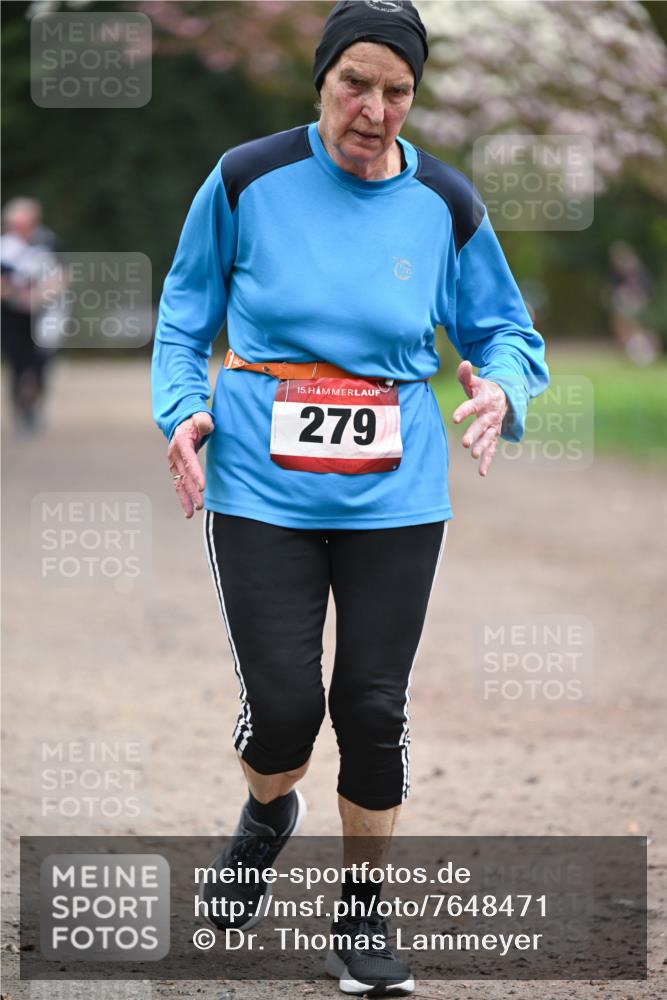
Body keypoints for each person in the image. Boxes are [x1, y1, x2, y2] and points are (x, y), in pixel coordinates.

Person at [152, 1, 548, 994]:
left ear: (414, 95)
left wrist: (505, 386)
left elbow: (504, 329)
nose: (374, 111)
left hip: (396, 492)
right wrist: (181, 408)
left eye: (397, 91)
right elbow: (186, 305)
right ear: (321, 82)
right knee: (284, 710)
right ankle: (265, 810)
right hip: (260, 481)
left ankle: (364, 912)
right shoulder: (247, 178)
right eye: (354, 85)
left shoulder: (445, 202)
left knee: (371, 705)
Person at [1, 197, 64, 432]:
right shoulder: (4, 247)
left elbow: (62, 275)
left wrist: (40, 296)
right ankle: (19, 410)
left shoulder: (48, 242)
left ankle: (34, 407)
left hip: (44, 315)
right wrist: (17, 297)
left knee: (41, 365)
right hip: (12, 317)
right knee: (17, 365)